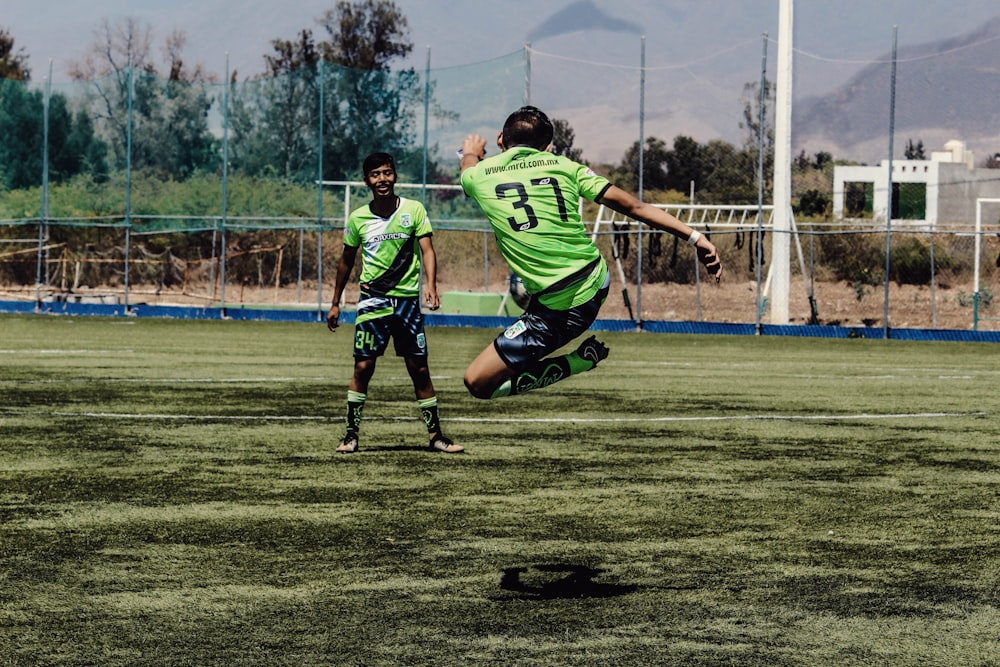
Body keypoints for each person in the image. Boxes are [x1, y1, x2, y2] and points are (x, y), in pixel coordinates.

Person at [459, 105, 723, 400]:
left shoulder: (479, 175)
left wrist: (471, 150)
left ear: (500, 139)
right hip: (592, 279)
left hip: (565, 306)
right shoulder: (565, 167)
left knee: (478, 383)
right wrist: (696, 237)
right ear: (548, 147)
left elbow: (467, 168)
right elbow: (634, 207)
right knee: (487, 375)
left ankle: (580, 360)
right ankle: (561, 344)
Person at [327, 152, 462, 453]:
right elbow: (345, 261)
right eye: (375, 174)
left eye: (387, 172)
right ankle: (351, 435)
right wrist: (335, 302)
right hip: (372, 301)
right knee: (363, 367)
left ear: (395, 176)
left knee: (420, 369)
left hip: (407, 304)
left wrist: (431, 284)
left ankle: (436, 436)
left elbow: (427, 250)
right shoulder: (358, 218)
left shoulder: (413, 210)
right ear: (367, 181)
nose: (382, 179)